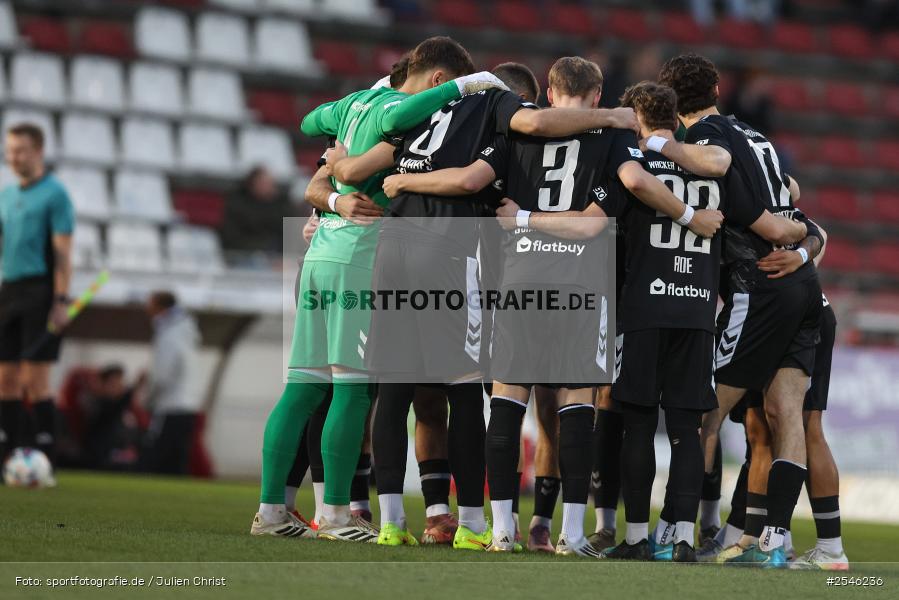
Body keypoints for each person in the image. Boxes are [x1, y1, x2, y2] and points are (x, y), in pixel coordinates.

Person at [332, 59, 641, 550]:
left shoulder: (507, 136)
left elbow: (472, 179)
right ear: (598, 93)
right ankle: (570, 534)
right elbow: (603, 211)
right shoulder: (611, 137)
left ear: (550, 90)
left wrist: (347, 193)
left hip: (510, 277)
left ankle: (491, 528)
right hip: (577, 281)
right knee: (571, 407)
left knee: (499, 402)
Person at [251, 35, 507, 542]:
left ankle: (272, 512)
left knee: (302, 387)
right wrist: (469, 86)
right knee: (353, 389)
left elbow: (308, 122)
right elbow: (395, 124)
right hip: (362, 257)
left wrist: (336, 173)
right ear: (437, 80)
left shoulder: (352, 102)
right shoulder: (402, 112)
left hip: (321, 251)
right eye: (449, 86)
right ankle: (337, 515)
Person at [594, 81, 805, 562]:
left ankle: (633, 538)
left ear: (640, 121)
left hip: (645, 309)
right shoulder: (714, 175)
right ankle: (684, 538)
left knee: (639, 427)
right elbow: (783, 189)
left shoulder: (635, 162)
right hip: (696, 314)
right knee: (688, 430)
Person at [657, 53, 825, 567]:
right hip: (802, 286)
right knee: (783, 414)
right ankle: (776, 541)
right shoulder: (755, 134)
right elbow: (791, 193)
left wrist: (790, 233)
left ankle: (677, 531)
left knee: (705, 412)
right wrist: (804, 238)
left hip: (758, 286)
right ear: (715, 88)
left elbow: (767, 220)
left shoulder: (705, 142)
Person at [0, 123, 74, 470]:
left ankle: (47, 460)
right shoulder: (6, 194)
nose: (13, 157)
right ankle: (8, 456)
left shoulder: (55, 195)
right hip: (9, 290)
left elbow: (62, 253)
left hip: (41, 291)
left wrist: (60, 300)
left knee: (35, 379)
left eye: (21, 150)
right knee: (5, 378)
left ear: (38, 151)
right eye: (10, 149)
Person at [140, 291, 202, 476]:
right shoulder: (186, 331)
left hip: (170, 406)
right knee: (177, 458)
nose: (147, 310)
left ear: (160, 307)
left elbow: (163, 375)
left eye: (150, 305)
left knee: (162, 459)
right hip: (188, 405)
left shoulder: (169, 334)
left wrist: (149, 399)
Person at [219, 166, 291, 257]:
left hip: (276, 256)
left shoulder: (281, 205)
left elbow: (290, 234)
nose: (268, 187)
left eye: (270, 184)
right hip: (243, 255)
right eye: (262, 183)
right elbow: (231, 237)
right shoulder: (237, 204)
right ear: (252, 184)